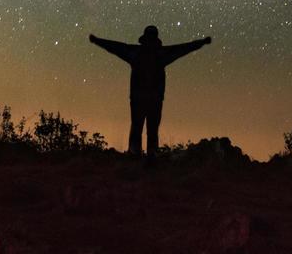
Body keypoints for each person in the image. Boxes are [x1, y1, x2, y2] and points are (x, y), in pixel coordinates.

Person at [89, 25, 212, 160]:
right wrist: (201, 42)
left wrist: (97, 41)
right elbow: (183, 49)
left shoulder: (137, 53)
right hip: (150, 98)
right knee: (146, 128)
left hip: (144, 98)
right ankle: (145, 154)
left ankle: (141, 154)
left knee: (142, 127)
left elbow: (115, 47)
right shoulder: (158, 54)